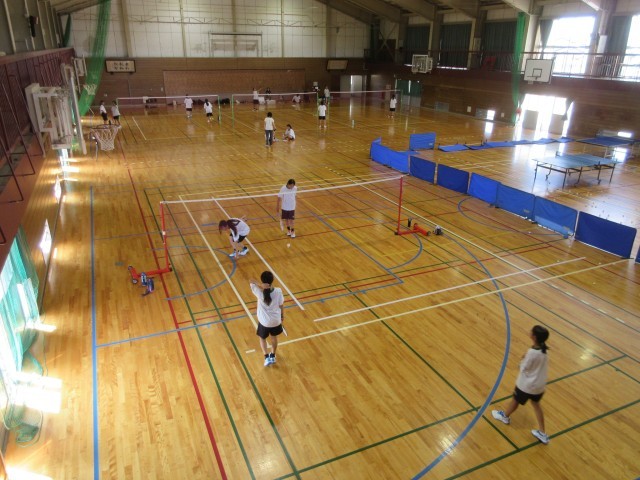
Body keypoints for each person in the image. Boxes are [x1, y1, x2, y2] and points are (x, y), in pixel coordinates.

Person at [492, 325, 551, 445]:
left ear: (534, 337)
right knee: (536, 405)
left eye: (531, 332)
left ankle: (505, 417)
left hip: (527, 385)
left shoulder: (532, 352)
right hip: (539, 386)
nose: (529, 332)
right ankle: (542, 432)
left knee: (515, 401)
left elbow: (524, 368)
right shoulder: (544, 350)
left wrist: (521, 361)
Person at [249, 271, 284, 366]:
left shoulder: (259, 292)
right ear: (272, 280)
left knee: (262, 338)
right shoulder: (278, 291)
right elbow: (281, 305)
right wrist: (282, 316)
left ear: (262, 280)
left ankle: (266, 357)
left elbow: (251, 280)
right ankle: (273, 355)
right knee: (274, 337)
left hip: (264, 322)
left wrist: (260, 285)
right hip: (276, 321)